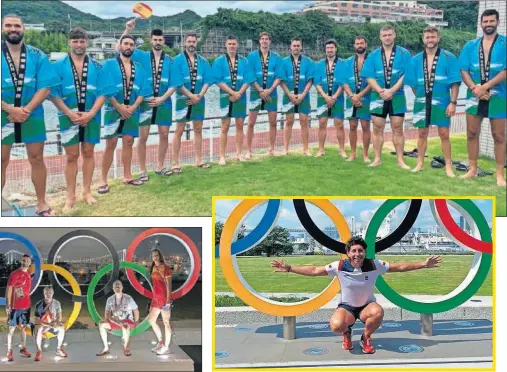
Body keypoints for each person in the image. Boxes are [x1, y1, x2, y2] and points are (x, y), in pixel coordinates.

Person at [271, 237, 442, 354]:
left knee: (378, 312)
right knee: (336, 326)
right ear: (348, 253)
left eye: (360, 251)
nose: (357, 254)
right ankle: (347, 333)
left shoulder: (374, 264)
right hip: (347, 307)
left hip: (367, 306)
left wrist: (423, 264)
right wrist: (289, 268)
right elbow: (315, 270)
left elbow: (399, 267)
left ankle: (365, 337)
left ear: (365, 252)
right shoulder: (339, 265)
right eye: (353, 251)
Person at [49, 27, 115, 211]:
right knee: (71, 156)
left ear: (87, 42)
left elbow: (105, 91)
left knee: (88, 153)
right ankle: (70, 196)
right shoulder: (58, 66)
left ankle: (86, 192)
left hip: (91, 115)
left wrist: (92, 113)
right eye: (75, 41)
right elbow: (52, 93)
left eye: (82, 41)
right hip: (67, 115)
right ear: (69, 42)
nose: (79, 44)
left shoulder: (98, 66)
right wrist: (69, 113)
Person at [1, 14, 60, 216]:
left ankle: (42, 203)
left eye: (17, 25)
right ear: (2, 29)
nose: (13, 29)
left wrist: (25, 111)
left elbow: (45, 87)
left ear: (23, 28)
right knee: (1, 159)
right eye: (8, 25)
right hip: (2, 113)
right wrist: (10, 109)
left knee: (36, 158)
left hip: (32, 113)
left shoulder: (38, 55)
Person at [120, 20, 181, 180]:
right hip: (144, 103)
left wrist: (162, 98)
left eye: (160, 40)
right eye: (155, 40)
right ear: (151, 40)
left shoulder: (170, 60)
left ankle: (160, 166)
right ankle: (142, 169)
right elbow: (120, 47)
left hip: (164, 102)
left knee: (164, 134)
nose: (158, 42)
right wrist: (127, 29)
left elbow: (174, 84)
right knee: (143, 136)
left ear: (164, 41)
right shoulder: (140, 55)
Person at [459, 9, 506, 187]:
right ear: (481, 24)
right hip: (473, 95)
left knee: (499, 135)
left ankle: (500, 174)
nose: (488, 24)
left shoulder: (504, 43)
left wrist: (484, 87)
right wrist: (474, 87)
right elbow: (463, 69)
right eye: (485, 22)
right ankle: (472, 169)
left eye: (491, 21)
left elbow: (505, 71)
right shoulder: (470, 45)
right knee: (471, 132)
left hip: (499, 95)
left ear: (497, 22)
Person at [97, 35, 150, 194]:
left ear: (134, 47)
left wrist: (133, 107)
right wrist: (118, 106)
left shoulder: (139, 67)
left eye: (131, 44)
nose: (128, 46)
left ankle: (127, 175)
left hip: (132, 109)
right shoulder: (109, 64)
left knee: (128, 142)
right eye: (125, 43)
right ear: (119, 45)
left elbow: (143, 90)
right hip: (112, 108)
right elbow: (105, 87)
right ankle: (103, 180)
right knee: (110, 143)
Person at [407, 26, 461, 177]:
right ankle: (420, 163)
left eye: (433, 37)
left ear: (438, 38)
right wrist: (420, 97)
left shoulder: (449, 57)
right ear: (423, 39)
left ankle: (448, 166)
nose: (430, 40)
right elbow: (412, 83)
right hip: (422, 102)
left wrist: (453, 102)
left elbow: (455, 82)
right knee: (422, 133)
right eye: (427, 37)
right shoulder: (415, 59)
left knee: (444, 134)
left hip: (442, 101)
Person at [362, 25, 412, 169]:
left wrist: (392, 90)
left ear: (394, 35)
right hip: (377, 96)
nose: (387, 37)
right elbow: (368, 76)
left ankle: (400, 160)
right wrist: (380, 91)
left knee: (397, 128)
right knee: (377, 128)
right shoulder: (373, 55)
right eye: (384, 35)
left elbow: (406, 74)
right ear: (380, 37)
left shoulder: (404, 53)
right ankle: (377, 158)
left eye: (390, 34)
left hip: (398, 95)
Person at [172, 33, 213, 172]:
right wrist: (190, 95)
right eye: (189, 41)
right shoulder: (176, 60)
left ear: (197, 43)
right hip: (182, 99)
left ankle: (199, 160)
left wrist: (199, 95)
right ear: (185, 43)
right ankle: (176, 163)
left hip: (199, 99)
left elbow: (208, 80)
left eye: (194, 42)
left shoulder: (203, 61)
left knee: (198, 129)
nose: (191, 44)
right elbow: (177, 82)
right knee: (179, 130)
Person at [212, 35, 254, 165]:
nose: (232, 46)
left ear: (237, 45)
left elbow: (248, 79)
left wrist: (239, 93)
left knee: (240, 125)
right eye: (229, 44)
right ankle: (222, 156)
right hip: (225, 97)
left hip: (241, 97)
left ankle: (239, 153)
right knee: (224, 127)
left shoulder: (244, 61)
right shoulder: (219, 61)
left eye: (234, 44)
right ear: (226, 45)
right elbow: (218, 80)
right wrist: (232, 93)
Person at [246, 32, 282, 157]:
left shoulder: (277, 57)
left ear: (270, 41)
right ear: (259, 41)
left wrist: (270, 90)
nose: (264, 41)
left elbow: (279, 76)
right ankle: (248, 151)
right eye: (262, 39)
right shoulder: (251, 56)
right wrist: (261, 90)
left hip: (272, 93)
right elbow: (250, 75)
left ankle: (271, 149)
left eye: (267, 39)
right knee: (251, 122)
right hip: (256, 93)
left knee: (273, 122)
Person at [278, 38, 315, 156]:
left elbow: (310, 80)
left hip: (304, 95)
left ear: (301, 47)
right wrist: (289, 94)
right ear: (290, 47)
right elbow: (281, 80)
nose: (296, 48)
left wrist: (303, 94)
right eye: (294, 46)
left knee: (304, 121)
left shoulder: (308, 61)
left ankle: (305, 149)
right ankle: (285, 149)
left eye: (298, 45)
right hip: (288, 96)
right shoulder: (283, 62)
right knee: (289, 121)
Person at [342, 35, 372, 163]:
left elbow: (373, 81)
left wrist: (360, 96)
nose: (359, 45)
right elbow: (343, 81)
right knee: (352, 125)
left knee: (365, 126)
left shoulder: (371, 61)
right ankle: (353, 153)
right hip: (351, 97)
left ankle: (365, 155)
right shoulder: (347, 62)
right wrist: (351, 96)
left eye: (362, 43)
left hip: (366, 96)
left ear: (366, 45)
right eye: (357, 43)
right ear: (354, 45)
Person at [314, 39, 345, 157]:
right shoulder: (319, 64)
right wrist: (325, 96)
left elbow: (343, 82)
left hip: (338, 98)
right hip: (323, 97)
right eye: (327, 48)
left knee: (339, 124)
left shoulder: (342, 63)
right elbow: (317, 83)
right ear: (325, 50)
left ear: (336, 49)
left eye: (332, 48)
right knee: (322, 123)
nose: (329, 50)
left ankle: (342, 150)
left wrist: (335, 97)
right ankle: (321, 149)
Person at [96, 280, 139, 357]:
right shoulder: (110, 299)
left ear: (122, 287)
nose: (117, 287)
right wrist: (108, 321)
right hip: (115, 320)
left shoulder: (128, 298)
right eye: (115, 286)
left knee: (125, 326)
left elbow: (135, 310)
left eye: (119, 285)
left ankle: (125, 347)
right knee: (101, 324)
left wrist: (136, 321)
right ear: (113, 288)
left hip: (127, 321)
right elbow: (107, 313)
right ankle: (106, 348)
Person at [5, 254, 33, 362]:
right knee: (11, 329)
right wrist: (8, 304)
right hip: (15, 307)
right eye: (23, 260)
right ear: (21, 261)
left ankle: (23, 348)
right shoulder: (15, 274)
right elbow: (9, 289)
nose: (25, 262)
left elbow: (25, 291)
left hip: (25, 306)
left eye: (27, 261)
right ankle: (9, 351)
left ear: (30, 263)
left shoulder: (28, 275)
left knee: (23, 328)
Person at [148, 248, 173, 355]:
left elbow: (169, 284)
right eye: (153, 256)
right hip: (155, 299)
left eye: (157, 255)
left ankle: (166, 346)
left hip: (164, 298)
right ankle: (161, 342)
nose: (155, 257)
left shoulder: (165, 268)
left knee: (166, 322)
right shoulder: (153, 268)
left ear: (160, 256)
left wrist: (168, 299)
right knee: (151, 320)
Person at [33, 285, 67, 361]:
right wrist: (48, 325)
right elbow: (37, 320)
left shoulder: (57, 303)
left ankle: (59, 349)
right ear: (44, 293)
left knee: (61, 327)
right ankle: (39, 351)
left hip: (52, 324)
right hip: (43, 325)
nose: (48, 294)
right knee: (38, 328)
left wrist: (55, 323)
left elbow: (59, 317)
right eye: (46, 293)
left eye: (50, 292)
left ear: (53, 293)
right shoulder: (39, 305)